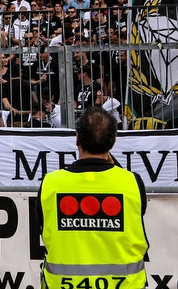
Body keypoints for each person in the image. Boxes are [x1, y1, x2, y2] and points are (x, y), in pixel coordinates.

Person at [37, 107, 148, 289]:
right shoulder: (132, 183)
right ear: (112, 143)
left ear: (77, 139)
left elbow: (44, 228)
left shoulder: (51, 183)